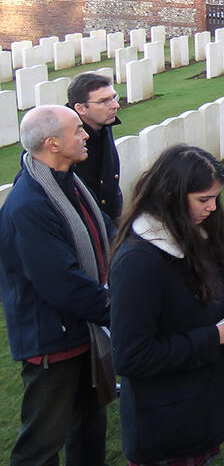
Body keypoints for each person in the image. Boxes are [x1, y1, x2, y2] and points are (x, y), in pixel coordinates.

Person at [110, 144, 224, 465]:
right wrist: (215, 337)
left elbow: (195, 296)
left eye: (215, 198)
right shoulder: (138, 261)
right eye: (203, 200)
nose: (212, 208)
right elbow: (131, 356)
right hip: (167, 424)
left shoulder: (190, 233)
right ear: (171, 195)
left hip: (196, 407)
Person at [0, 106, 112, 466]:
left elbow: (105, 230)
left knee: (90, 424)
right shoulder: (30, 204)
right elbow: (59, 282)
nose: (85, 135)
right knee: (42, 442)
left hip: (82, 330)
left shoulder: (69, 183)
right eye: (77, 130)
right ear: (52, 144)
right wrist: (115, 308)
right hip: (52, 338)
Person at [67, 72, 123, 220]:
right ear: (80, 109)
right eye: (105, 101)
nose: (115, 105)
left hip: (110, 219)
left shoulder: (102, 124)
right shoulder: (63, 140)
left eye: (113, 98)